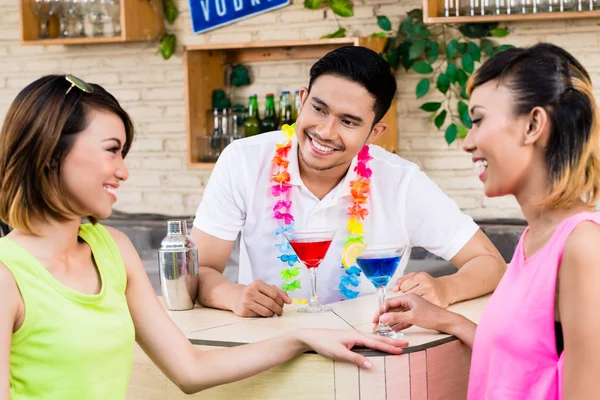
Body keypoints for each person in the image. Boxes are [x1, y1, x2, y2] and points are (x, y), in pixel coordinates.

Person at [0, 75, 408, 400]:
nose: (123, 171)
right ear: (52, 151)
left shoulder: (112, 250)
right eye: (112, 150)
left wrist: (302, 337)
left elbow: (191, 370)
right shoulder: (7, 276)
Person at [191, 45, 506, 318]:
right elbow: (198, 270)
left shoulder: (401, 182)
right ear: (302, 101)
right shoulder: (244, 161)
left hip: (368, 353)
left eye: (348, 121)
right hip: (266, 344)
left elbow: (490, 263)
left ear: (374, 133)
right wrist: (233, 296)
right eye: (319, 109)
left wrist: (445, 287)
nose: (326, 132)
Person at [374, 43, 600, 399]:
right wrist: (441, 318)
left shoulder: (582, 245)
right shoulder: (534, 237)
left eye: (478, 120)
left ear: (533, 125)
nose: (467, 142)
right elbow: (525, 361)